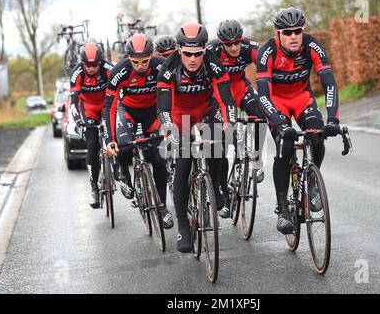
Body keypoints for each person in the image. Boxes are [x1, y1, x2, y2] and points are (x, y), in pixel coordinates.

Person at [256, 7, 341, 234]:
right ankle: (283, 209)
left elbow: (329, 83)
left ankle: (312, 183)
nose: (293, 36)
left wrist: (332, 119)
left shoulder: (312, 45)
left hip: (302, 98)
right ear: (279, 33)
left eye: (297, 31)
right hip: (276, 102)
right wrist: (281, 124)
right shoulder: (266, 52)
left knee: (317, 134)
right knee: (284, 147)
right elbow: (263, 95)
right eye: (287, 32)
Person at [157, 22, 237, 253]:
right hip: (179, 116)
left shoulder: (213, 62)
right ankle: (183, 226)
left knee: (218, 142)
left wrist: (228, 123)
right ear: (179, 50)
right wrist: (169, 130)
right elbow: (162, 107)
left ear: (204, 50)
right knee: (182, 166)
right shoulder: (169, 68)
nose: (193, 59)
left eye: (198, 53)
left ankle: (214, 184)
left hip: (205, 111)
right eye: (188, 54)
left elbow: (226, 99)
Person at [103, 33, 174, 229]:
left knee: (159, 159)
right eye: (136, 61)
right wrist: (110, 138)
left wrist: (171, 125)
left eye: (145, 61)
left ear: (152, 55)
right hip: (128, 112)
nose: (141, 66)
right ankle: (124, 174)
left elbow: (174, 94)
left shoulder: (161, 65)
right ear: (129, 58)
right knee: (124, 146)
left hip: (153, 113)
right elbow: (109, 106)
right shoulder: (120, 71)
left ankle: (161, 206)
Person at [207, 19, 267, 218]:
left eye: (236, 43)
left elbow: (268, 66)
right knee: (220, 140)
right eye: (228, 44)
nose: (233, 47)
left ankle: (256, 157)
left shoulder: (250, 47)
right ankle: (224, 190)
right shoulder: (212, 50)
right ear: (221, 42)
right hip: (218, 95)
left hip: (240, 89)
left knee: (260, 114)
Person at [70, 41, 113, 209]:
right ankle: (94, 186)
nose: (92, 68)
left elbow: (121, 92)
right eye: (88, 65)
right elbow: (74, 101)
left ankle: (117, 167)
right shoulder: (77, 73)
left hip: (105, 107)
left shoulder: (108, 69)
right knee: (93, 145)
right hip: (87, 109)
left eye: (95, 65)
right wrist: (78, 121)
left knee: (115, 134)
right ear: (83, 63)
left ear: (100, 62)